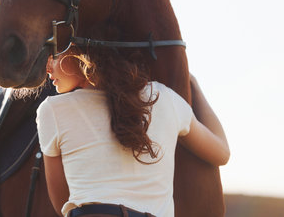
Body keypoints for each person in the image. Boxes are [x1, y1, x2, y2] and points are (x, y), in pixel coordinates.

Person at [36, 46, 229, 217]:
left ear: (81, 53)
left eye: (55, 53)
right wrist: (193, 84)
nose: (47, 66)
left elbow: (62, 202)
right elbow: (222, 153)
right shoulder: (165, 98)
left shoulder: (52, 110)